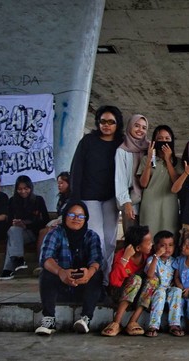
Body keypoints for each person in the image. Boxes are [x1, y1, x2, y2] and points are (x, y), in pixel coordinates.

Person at [70, 105, 123, 287]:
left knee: (109, 239)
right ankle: (95, 278)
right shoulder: (88, 141)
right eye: (103, 121)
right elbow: (76, 169)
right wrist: (75, 199)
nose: (106, 125)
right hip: (88, 197)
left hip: (110, 197)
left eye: (111, 122)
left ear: (117, 124)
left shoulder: (121, 143)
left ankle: (106, 279)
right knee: (96, 237)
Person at [35, 200, 103, 335]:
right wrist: (61, 272)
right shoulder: (55, 233)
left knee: (97, 274)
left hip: (84, 287)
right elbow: (45, 258)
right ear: (65, 216)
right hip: (61, 288)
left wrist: (88, 273)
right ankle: (49, 319)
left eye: (81, 216)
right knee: (46, 273)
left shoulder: (91, 236)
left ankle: (85, 318)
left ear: (85, 219)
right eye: (72, 215)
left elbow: (96, 259)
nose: (76, 219)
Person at [101, 225, 153, 336]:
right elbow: (114, 282)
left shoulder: (148, 255)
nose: (151, 245)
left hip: (138, 297)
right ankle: (116, 322)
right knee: (136, 279)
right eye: (148, 243)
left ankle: (133, 321)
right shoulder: (122, 255)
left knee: (153, 280)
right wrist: (125, 258)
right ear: (138, 248)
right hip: (120, 294)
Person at [0, 175, 49, 280]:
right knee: (13, 231)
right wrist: (15, 223)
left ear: (30, 188)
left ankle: (8, 269)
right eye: (20, 189)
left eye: (26, 189)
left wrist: (26, 225)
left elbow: (45, 221)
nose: (23, 192)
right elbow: (8, 222)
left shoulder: (38, 200)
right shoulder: (12, 201)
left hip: (33, 233)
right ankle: (18, 259)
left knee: (12, 238)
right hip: (17, 232)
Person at [139, 125, 183, 235]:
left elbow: (176, 183)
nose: (164, 141)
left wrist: (168, 160)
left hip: (169, 204)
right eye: (160, 138)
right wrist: (149, 159)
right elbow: (143, 183)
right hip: (150, 204)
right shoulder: (146, 159)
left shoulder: (177, 161)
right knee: (148, 234)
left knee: (169, 234)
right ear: (154, 140)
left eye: (167, 139)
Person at [144, 230, 182, 337]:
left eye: (170, 245)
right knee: (160, 292)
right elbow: (150, 275)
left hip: (169, 290)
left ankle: (174, 324)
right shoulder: (152, 259)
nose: (167, 248)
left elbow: (176, 277)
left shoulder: (174, 261)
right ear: (156, 246)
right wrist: (156, 256)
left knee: (177, 291)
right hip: (155, 290)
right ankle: (153, 326)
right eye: (163, 245)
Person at [115, 114, 149, 233]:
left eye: (144, 128)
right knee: (132, 235)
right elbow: (120, 178)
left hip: (148, 198)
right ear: (129, 127)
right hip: (132, 199)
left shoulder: (149, 148)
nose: (140, 130)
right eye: (137, 126)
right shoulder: (122, 150)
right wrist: (126, 202)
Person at [34, 171, 71, 276]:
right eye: (58, 183)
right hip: (59, 222)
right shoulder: (61, 198)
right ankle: (42, 262)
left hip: (68, 224)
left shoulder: (73, 197)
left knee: (49, 232)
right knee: (43, 232)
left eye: (62, 183)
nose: (59, 186)